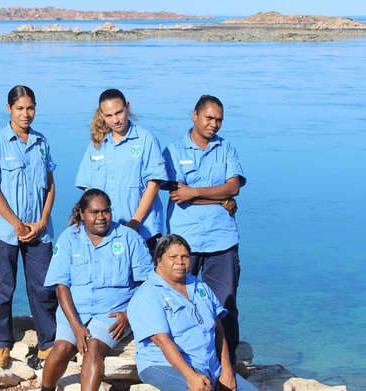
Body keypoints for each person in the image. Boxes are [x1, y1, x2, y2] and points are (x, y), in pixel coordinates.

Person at [162, 95, 246, 365]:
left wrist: (196, 192)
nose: (214, 124)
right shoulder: (174, 150)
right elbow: (177, 194)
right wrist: (219, 198)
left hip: (221, 240)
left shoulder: (226, 149)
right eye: (209, 118)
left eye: (219, 120)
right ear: (195, 115)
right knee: (177, 302)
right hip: (184, 241)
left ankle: (227, 363)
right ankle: (181, 360)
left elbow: (233, 187)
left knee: (225, 306)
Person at [41, 189, 152, 391]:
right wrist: (76, 326)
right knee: (62, 348)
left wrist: (129, 315)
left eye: (105, 211)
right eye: (94, 212)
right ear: (82, 214)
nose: (101, 217)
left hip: (113, 311)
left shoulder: (128, 237)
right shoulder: (69, 238)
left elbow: (147, 284)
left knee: (93, 348)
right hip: (75, 310)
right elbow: (61, 287)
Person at [0, 85, 58, 368]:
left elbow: (50, 186)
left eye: (30, 108)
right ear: (9, 109)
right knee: (4, 288)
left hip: (39, 230)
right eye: (19, 108)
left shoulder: (41, 142)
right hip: (5, 232)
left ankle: (48, 343)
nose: (26, 114)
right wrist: (16, 223)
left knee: (44, 288)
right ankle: (1, 344)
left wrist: (42, 221)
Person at [127, 235, 258, 391]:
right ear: (158, 261)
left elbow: (218, 329)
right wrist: (190, 376)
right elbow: (163, 341)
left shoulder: (199, 286)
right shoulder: (148, 295)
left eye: (185, 257)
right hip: (164, 364)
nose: (180, 262)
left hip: (209, 366)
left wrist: (227, 371)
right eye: (172, 257)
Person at [75, 88, 168, 256]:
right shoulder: (97, 144)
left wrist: (134, 223)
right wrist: (93, 223)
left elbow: (153, 186)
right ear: (101, 114)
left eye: (119, 112)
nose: (116, 120)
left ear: (128, 107)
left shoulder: (146, 139)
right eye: (109, 115)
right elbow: (88, 190)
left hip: (143, 230)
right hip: (105, 231)